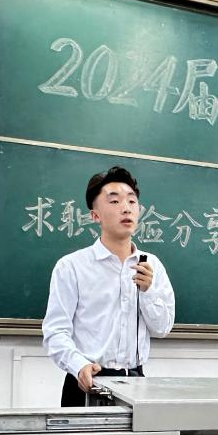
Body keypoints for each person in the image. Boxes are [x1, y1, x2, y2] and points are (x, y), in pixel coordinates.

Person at [42, 166, 176, 407]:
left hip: (136, 385)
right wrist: (78, 365)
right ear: (95, 216)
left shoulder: (151, 265)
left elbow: (162, 328)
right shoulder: (72, 266)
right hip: (86, 382)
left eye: (132, 201)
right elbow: (55, 332)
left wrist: (147, 292)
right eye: (114, 201)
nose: (126, 208)